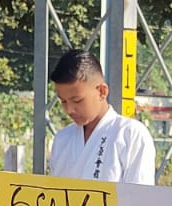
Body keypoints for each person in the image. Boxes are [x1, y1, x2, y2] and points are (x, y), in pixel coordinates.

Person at [46, 49, 155, 184]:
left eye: (77, 100)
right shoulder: (62, 139)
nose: (69, 109)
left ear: (102, 92)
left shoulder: (130, 134)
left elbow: (139, 198)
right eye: (63, 101)